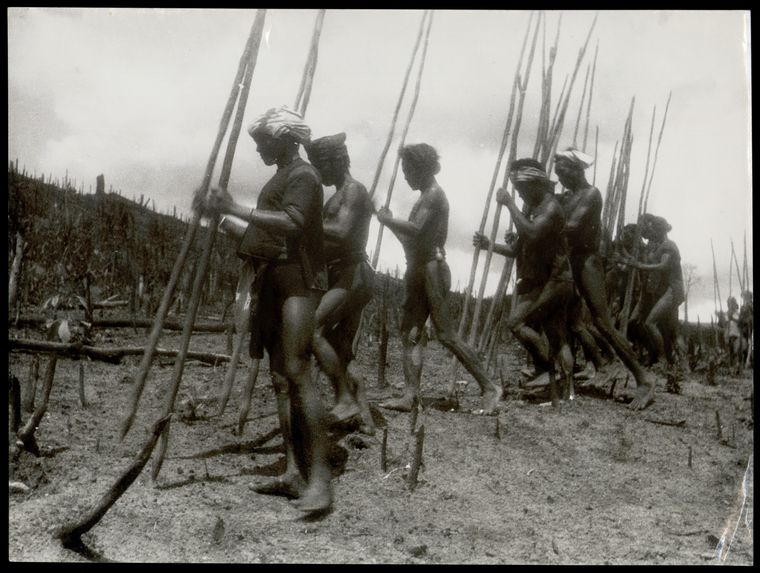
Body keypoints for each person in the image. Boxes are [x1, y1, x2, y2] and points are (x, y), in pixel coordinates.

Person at [198, 106, 332, 514]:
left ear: (285, 139)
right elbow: (266, 233)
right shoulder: (281, 176)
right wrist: (225, 219)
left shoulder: (304, 176)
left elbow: (292, 223)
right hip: (274, 280)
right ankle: (293, 472)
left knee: (297, 371)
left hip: (298, 281)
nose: (258, 150)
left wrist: (234, 208)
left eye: (263, 142)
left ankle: (321, 481)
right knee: (278, 378)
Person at [376, 143, 502, 414]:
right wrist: (389, 223)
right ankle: (410, 395)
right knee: (409, 333)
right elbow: (410, 238)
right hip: (418, 267)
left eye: (408, 170)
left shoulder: (434, 195)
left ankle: (490, 387)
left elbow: (416, 229)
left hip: (433, 267)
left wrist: (388, 220)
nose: (405, 176)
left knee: (446, 335)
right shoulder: (423, 197)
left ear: (421, 169)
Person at [553, 147, 656, 410]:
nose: (558, 174)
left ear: (577, 170)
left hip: (587, 262)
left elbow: (572, 226)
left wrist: (541, 226)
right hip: (571, 261)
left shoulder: (591, 194)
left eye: (562, 169)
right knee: (571, 321)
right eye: (556, 169)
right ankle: (583, 371)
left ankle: (644, 379)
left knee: (603, 323)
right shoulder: (568, 196)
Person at [473, 158, 575, 405]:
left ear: (536, 185)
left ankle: (551, 372)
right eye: (516, 193)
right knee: (555, 335)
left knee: (517, 322)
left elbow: (531, 233)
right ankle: (567, 390)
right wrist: (489, 245)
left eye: (521, 191)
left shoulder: (551, 208)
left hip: (558, 280)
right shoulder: (532, 209)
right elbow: (517, 248)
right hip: (549, 281)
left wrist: (509, 205)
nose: (519, 196)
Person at [303, 132, 376, 434]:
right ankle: (366, 420)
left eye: (321, 166)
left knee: (312, 329)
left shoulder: (353, 190)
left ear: (335, 161)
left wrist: (301, 224)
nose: (318, 173)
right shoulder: (338, 194)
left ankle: (344, 400)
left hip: (352, 274)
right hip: (344, 274)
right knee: (340, 347)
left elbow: (342, 232)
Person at [618, 213, 685, 371]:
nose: (650, 233)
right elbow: (642, 261)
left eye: (653, 229)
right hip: (664, 291)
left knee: (653, 324)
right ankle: (673, 361)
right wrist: (626, 256)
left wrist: (637, 265)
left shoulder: (669, 245)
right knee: (670, 330)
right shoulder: (658, 245)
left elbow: (662, 266)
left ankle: (663, 361)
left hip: (673, 290)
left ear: (660, 231)